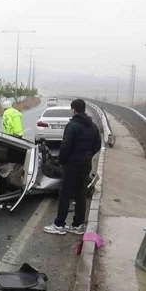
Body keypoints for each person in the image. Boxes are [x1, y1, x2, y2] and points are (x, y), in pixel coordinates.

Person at [44, 99, 101, 235]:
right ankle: (78, 225)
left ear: (74, 110)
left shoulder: (72, 126)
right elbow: (97, 145)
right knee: (81, 195)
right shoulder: (93, 126)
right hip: (85, 165)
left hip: (71, 166)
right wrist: (88, 155)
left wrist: (62, 161)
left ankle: (59, 225)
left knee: (65, 195)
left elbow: (65, 147)